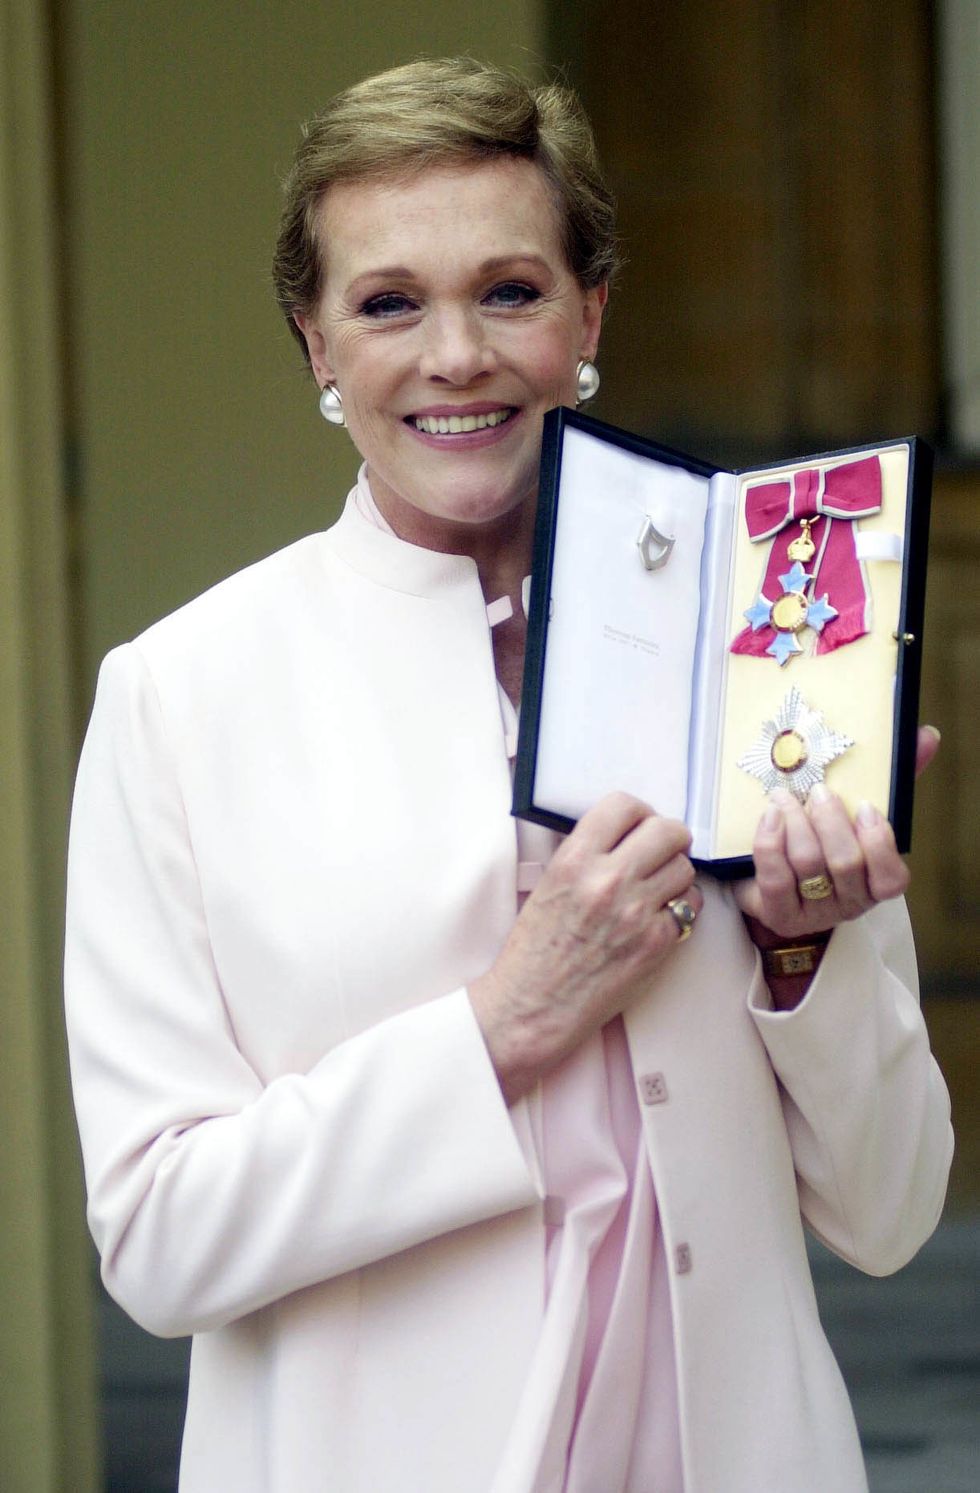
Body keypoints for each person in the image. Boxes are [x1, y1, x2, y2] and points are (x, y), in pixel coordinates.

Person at [64, 57, 952, 1493]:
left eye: (512, 291)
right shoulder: (181, 695)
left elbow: (897, 1211)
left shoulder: (760, 641)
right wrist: (502, 1025)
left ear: (589, 314)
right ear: (315, 345)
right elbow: (160, 1239)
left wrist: (806, 947)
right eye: (388, 302)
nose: (456, 354)